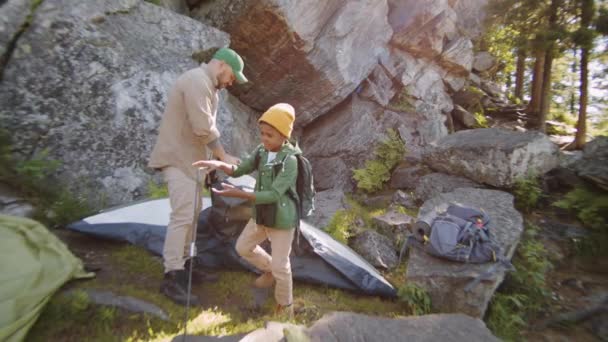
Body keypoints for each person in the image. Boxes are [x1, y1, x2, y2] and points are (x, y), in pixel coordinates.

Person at [148, 47, 248, 306]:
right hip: (178, 160)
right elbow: (203, 128)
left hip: (191, 164)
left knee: (191, 217)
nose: (231, 82)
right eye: (232, 76)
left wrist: (212, 165)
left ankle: (186, 266)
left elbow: (200, 133)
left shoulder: (206, 85)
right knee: (182, 217)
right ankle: (172, 276)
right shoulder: (196, 81)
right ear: (222, 65)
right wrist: (223, 157)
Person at [193, 103, 299, 318]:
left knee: (282, 266)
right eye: (262, 133)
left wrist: (241, 195)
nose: (264, 138)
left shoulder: (291, 161)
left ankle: (286, 307)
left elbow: (274, 195)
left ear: (283, 135)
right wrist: (220, 165)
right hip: (261, 215)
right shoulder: (261, 151)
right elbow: (241, 168)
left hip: (282, 220)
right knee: (243, 247)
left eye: (270, 135)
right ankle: (268, 269)